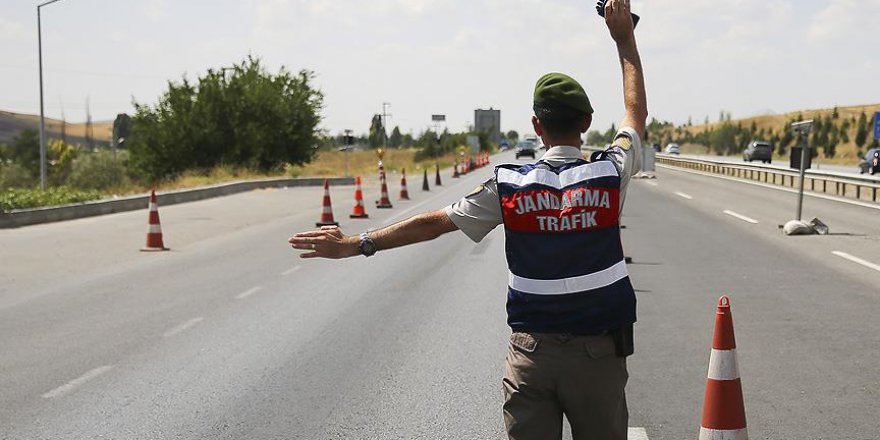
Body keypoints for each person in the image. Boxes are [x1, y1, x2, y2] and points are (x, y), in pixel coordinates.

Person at [288, 1, 646, 438]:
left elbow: (433, 223)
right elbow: (635, 115)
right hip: (598, 357)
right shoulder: (609, 172)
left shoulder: (508, 186)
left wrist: (355, 244)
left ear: (537, 125)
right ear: (587, 122)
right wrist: (624, 39)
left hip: (533, 357)